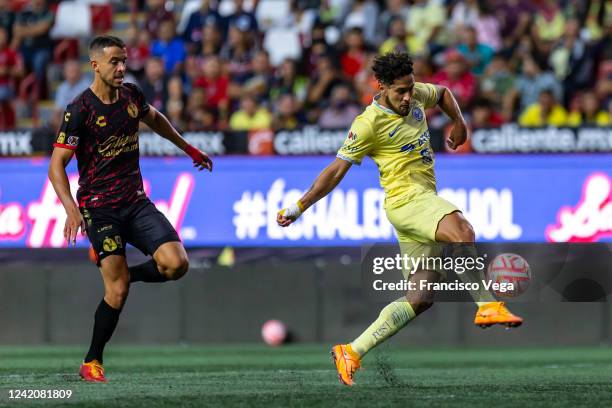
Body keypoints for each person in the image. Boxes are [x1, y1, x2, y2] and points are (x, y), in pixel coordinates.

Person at [276, 52, 523, 386]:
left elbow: (444, 94)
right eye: (400, 92)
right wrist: (299, 206)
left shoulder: (415, 92)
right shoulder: (368, 124)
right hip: (407, 201)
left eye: (410, 88)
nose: (408, 97)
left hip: (419, 203)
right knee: (462, 230)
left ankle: (352, 350)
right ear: (380, 87)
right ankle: (487, 304)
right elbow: (336, 170)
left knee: (421, 298)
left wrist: (459, 123)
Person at [47, 36, 212, 383]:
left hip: (136, 202)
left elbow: (155, 118)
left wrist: (188, 148)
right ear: (95, 65)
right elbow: (56, 165)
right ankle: (92, 361)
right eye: (114, 62)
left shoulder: (132, 95)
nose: (122, 68)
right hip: (99, 208)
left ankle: (128, 273)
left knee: (176, 264)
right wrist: (71, 208)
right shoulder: (79, 110)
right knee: (116, 291)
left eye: (124, 61)